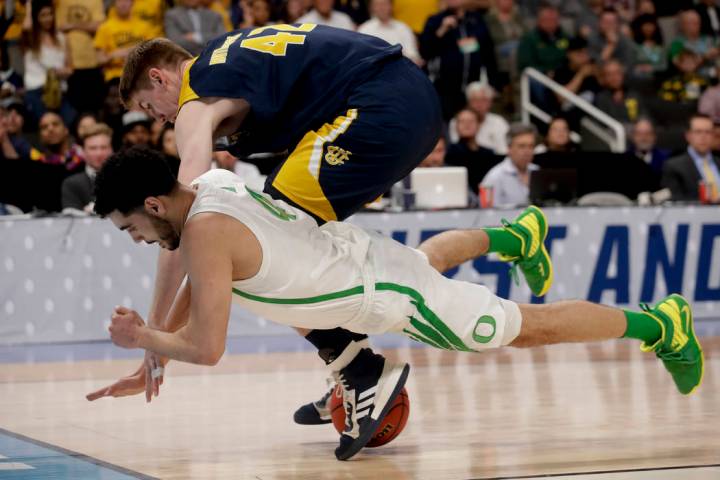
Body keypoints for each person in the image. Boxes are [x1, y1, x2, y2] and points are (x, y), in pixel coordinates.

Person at [89, 147, 704, 462]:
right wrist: (155, 354)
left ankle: (659, 324)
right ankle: (516, 236)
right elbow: (200, 279)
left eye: (130, 229)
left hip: (387, 300)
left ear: (153, 204)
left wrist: (145, 340)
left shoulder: (201, 234)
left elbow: (209, 347)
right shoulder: (210, 187)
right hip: (359, 262)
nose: (138, 242)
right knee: (424, 261)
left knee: (526, 329)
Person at [104, 27, 474, 460]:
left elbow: (178, 220)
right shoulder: (229, 56)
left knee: (258, 245)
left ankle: (359, 368)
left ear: (160, 77)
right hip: (407, 100)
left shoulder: (194, 100)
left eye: (150, 106)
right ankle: (351, 363)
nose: (159, 119)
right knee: (261, 240)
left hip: (379, 107)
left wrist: (152, 338)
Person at [419, 0, 499, 120]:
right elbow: (425, 52)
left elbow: (488, 53)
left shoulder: (476, 20)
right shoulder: (435, 20)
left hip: (473, 88)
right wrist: (441, 30)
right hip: (444, 88)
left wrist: (493, 84)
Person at [21, 0, 75, 127]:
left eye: (50, 14)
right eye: (42, 15)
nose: (47, 18)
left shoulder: (62, 38)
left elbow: (71, 68)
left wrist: (63, 71)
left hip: (58, 91)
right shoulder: (31, 38)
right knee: (47, 127)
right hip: (36, 91)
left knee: (70, 122)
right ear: (36, 17)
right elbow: (26, 27)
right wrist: (29, 4)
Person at [662, 114, 720, 202]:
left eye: (708, 132)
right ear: (688, 135)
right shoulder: (674, 166)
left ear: (713, 136)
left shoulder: (718, 162)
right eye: (698, 132)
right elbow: (675, 201)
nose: (703, 137)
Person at [94, 0, 154, 84]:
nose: (123, 4)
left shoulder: (145, 26)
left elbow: (153, 53)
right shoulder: (105, 28)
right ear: (114, 3)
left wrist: (130, 51)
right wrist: (113, 55)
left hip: (141, 74)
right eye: (119, 1)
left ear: (132, 3)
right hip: (116, 77)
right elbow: (99, 59)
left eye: (126, 1)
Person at [480, 122, 538, 208]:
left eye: (531, 146)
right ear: (509, 148)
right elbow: (487, 214)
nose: (527, 151)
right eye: (522, 146)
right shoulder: (494, 177)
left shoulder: (537, 171)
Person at [61, 122, 113, 211]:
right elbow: (70, 219)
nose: (99, 153)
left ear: (112, 150)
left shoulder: (124, 180)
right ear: (83, 151)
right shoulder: (71, 184)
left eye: (103, 147)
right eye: (93, 148)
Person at [447, 82, 509, 154]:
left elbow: (503, 150)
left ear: (490, 102)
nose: (479, 104)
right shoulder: (455, 121)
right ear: (468, 102)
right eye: (475, 100)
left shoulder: (499, 122)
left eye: (483, 100)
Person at [445, 108, 497, 192]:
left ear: (479, 125)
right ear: (456, 126)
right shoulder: (448, 152)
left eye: (471, 121)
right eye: (462, 121)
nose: (467, 125)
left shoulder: (488, 153)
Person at [357, 0, 420, 65]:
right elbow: (362, 57)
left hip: (402, 69)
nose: (381, 7)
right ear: (371, 8)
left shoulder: (403, 28)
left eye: (384, 4)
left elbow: (412, 54)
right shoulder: (364, 29)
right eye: (377, 5)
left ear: (391, 6)